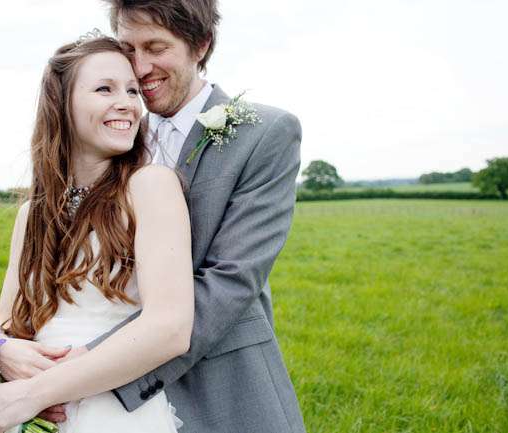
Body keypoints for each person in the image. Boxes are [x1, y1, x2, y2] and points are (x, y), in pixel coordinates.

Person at [39, 1, 307, 432]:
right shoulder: (116, 131)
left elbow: (230, 279)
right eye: (129, 49)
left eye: (156, 47)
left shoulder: (265, 133)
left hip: (219, 380)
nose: (140, 67)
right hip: (96, 382)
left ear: (201, 45)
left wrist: (87, 366)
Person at [0, 36, 192, 433]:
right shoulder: (33, 214)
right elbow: (4, 321)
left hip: (112, 409)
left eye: (132, 90)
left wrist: (36, 392)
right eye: (105, 89)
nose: (128, 103)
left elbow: (169, 329)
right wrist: (2, 349)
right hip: (31, 411)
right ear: (61, 104)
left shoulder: (150, 185)